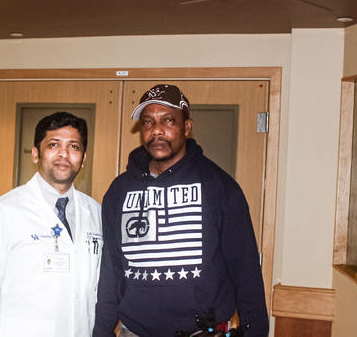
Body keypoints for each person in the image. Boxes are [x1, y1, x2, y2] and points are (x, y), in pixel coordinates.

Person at [93, 85, 269, 337]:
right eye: (148, 122)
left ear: (186, 127)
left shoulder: (219, 186)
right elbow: (110, 273)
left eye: (168, 121)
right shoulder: (119, 191)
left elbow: (246, 271)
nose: (157, 130)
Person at [0, 111, 103, 337]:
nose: (64, 154)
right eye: (54, 145)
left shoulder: (95, 212)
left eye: (74, 147)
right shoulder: (4, 211)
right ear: (36, 154)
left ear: (83, 158)